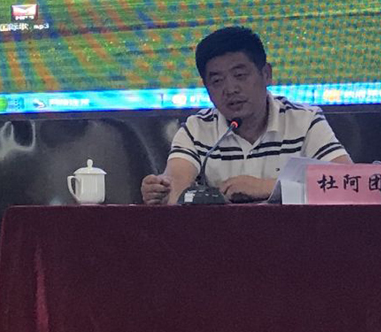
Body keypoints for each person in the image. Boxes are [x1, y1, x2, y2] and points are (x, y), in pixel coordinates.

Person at [141, 27, 351, 204]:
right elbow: (176, 182)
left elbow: (349, 182)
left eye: (240, 75)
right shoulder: (196, 130)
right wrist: (162, 192)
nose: (230, 89)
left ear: (266, 74)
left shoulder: (304, 121)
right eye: (217, 81)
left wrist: (268, 187)